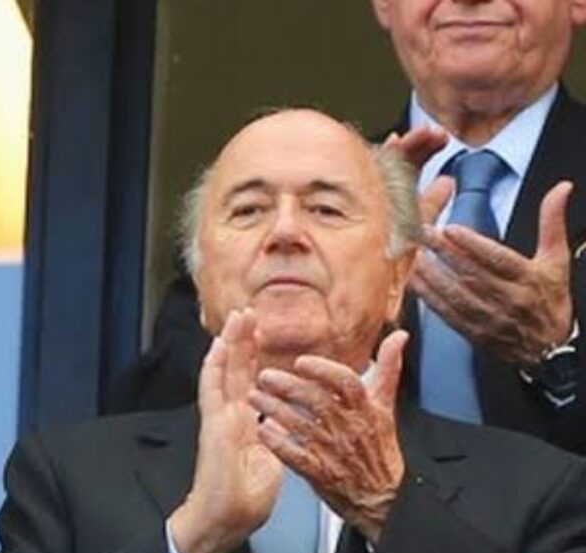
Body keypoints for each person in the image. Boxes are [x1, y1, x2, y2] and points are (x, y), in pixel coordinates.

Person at [0, 109, 586, 553]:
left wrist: (391, 508)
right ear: (200, 284)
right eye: (248, 210)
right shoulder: (73, 475)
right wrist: (190, 542)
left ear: (398, 278)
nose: (285, 233)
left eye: (326, 209)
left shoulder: (535, 485)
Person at [115, 0, 586, 455]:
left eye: (326, 207)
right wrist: (353, 298)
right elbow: (154, 421)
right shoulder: (284, 196)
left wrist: (558, 352)